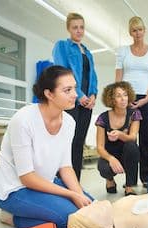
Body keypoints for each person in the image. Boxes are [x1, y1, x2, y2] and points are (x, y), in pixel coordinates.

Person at [0, 66, 93, 228]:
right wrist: (71, 194)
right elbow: (27, 177)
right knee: (70, 221)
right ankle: (12, 218)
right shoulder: (23, 120)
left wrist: (79, 195)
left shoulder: (69, 122)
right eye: (67, 90)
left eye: (74, 88)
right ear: (49, 94)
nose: (75, 94)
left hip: (45, 182)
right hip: (14, 190)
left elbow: (65, 166)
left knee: (90, 208)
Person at [115, 16, 148, 188]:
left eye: (140, 29)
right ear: (130, 32)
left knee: (146, 138)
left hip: (146, 98)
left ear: (144, 30)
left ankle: (146, 176)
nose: (138, 33)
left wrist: (147, 98)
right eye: (134, 30)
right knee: (128, 138)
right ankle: (130, 178)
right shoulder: (122, 51)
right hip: (126, 98)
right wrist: (119, 97)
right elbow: (118, 76)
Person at [53, 13, 98, 181]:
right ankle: (61, 183)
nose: (79, 31)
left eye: (81, 27)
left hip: (87, 103)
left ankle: (75, 183)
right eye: (75, 27)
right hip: (70, 101)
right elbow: (62, 72)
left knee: (79, 142)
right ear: (68, 29)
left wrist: (93, 94)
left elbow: (92, 76)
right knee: (66, 143)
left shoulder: (88, 52)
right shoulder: (62, 46)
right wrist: (78, 95)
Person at [95, 81, 141, 196]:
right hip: (109, 154)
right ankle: (110, 180)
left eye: (125, 95)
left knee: (132, 146)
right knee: (104, 168)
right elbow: (100, 148)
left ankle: (129, 186)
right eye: (118, 96)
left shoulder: (134, 114)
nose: (123, 99)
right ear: (112, 99)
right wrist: (111, 159)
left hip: (126, 153)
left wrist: (120, 134)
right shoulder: (103, 117)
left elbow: (132, 138)